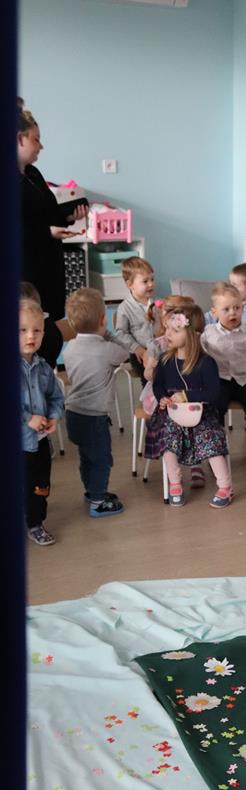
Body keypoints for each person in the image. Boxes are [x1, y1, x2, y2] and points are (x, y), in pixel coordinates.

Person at [18, 98, 88, 367]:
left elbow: (45, 214)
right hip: (26, 273)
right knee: (33, 337)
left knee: (49, 336)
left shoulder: (33, 174)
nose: (41, 146)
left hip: (49, 273)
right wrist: (46, 231)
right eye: (36, 139)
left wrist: (67, 215)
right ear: (18, 139)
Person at [146, 303, 232, 508]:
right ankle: (175, 484)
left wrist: (186, 395)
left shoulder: (206, 362)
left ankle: (225, 486)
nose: (167, 334)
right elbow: (158, 386)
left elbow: (213, 393)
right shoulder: (165, 360)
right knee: (168, 439)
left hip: (201, 413)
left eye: (175, 330)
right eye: (167, 329)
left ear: (192, 334)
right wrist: (163, 398)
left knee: (210, 438)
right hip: (172, 413)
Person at [62, 288, 127, 517]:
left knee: (86, 457)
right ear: (102, 319)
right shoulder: (106, 349)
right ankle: (98, 501)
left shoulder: (70, 348)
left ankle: (91, 491)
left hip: (73, 413)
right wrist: (107, 333)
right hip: (95, 417)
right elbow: (125, 352)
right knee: (101, 459)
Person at [200, 281, 246, 463]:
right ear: (215, 312)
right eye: (226, 309)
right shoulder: (208, 334)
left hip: (244, 378)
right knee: (214, 408)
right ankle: (216, 448)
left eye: (237, 308)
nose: (232, 313)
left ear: (242, 308)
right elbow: (201, 360)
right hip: (220, 380)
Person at [20, 296, 64, 546]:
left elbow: (56, 397)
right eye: (22, 330)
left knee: (40, 484)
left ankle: (35, 523)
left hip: (40, 442)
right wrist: (28, 418)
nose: (31, 336)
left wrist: (54, 416)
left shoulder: (44, 368)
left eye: (37, 330)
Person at [205, 262, 246, 362]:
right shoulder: (224, 303)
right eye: (229, 283)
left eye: (234, 285)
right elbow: (208, 318)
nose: (229, 288)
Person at [114, 256, 157, 379]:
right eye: (145, 281)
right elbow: (121, 334)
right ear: (130, 285)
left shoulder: (157, 303)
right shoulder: (124, 308)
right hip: (140, 353)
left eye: (152, 279)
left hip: (158, 350)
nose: (151, 284)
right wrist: (139, 350)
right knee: (148, 380)